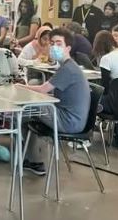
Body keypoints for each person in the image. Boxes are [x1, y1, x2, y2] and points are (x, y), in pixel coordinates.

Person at [21, 28, 91, 175]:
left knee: (25, 111)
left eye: (59, 43)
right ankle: (30, 157)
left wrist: (20, 86)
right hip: (69, 117)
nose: (54, 47)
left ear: (68, 48)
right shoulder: (67, 66)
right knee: (29, 113)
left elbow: (42, 89)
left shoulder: (68, 69)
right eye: (52, 43)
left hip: (69, 121)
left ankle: (32, 160)